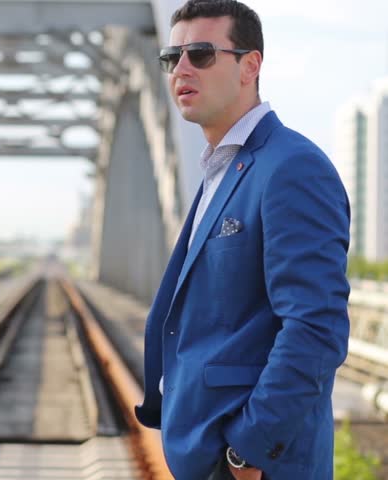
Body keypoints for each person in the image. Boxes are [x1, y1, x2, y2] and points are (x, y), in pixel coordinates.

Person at [133, 1, 351, 479]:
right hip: (209, 449)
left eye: (201, 54)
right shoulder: (222, 168)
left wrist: (247, 451)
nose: (181, 69)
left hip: (257, 464)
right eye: (171, 57)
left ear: (250, 66)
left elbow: (317, 327)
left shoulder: (292, 167)